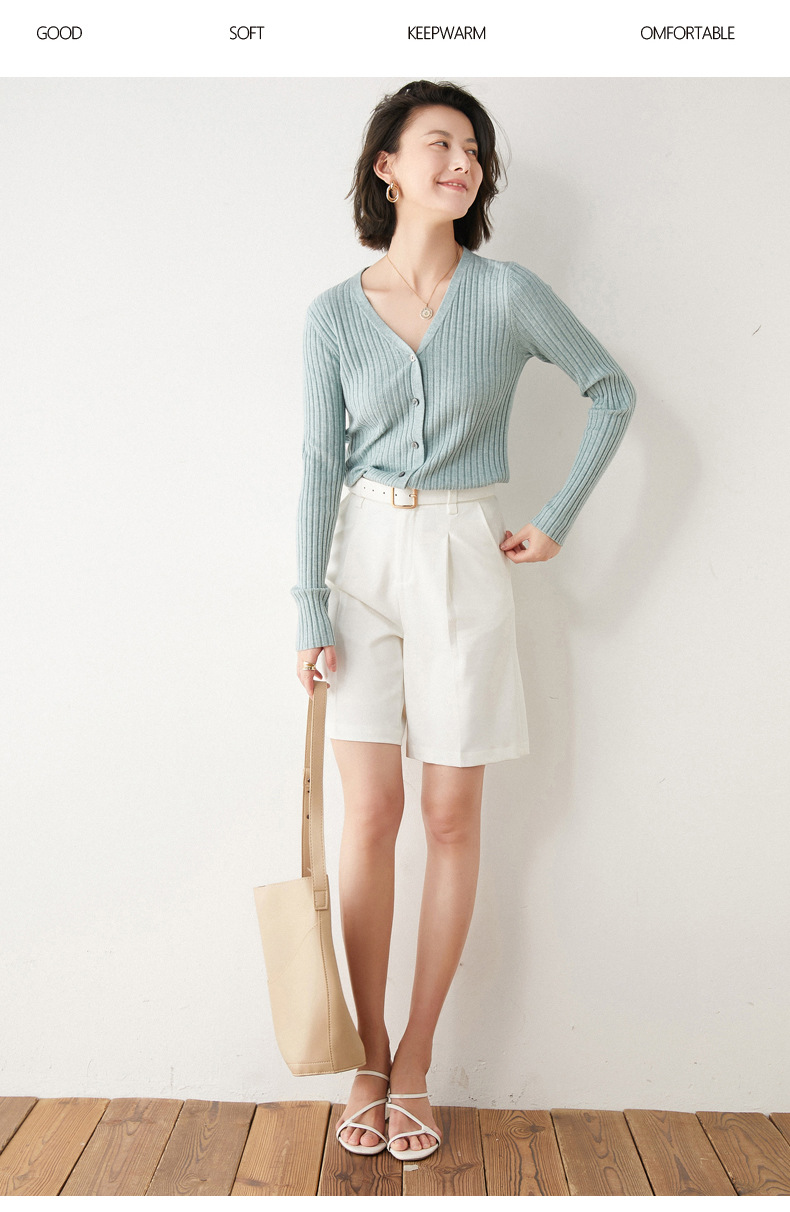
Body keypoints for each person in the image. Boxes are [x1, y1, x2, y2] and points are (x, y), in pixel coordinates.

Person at [289, 79, 636, 1162]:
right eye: (439, 142)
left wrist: (555, 520)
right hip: (359, 562)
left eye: (474, 150)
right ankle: (366, 1053)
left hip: (464, 551)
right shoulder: (333, 314)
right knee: (368, 816)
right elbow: (317, 465)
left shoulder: (507, 293)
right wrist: (306, 604)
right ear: (387, 167)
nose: (462, 161)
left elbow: (610, 389)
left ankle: (417, 1060)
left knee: (448, 817)